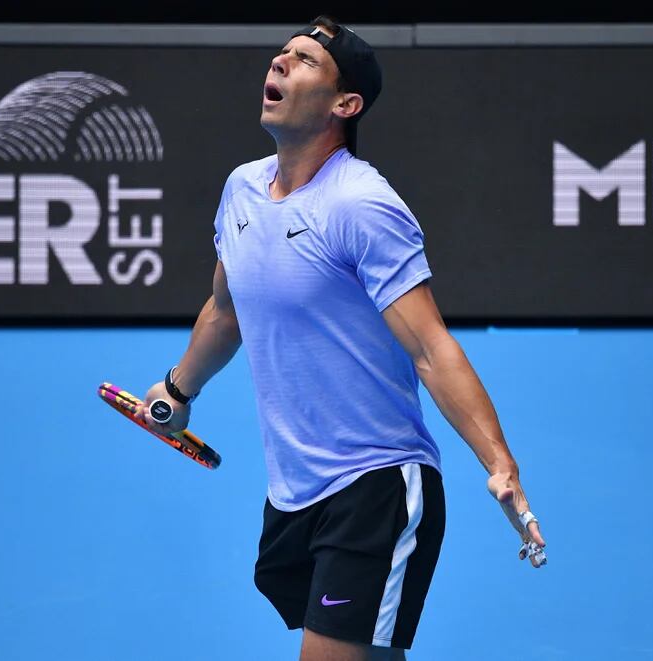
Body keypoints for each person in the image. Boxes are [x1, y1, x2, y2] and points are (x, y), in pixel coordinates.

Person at [139, 15, 547, 661]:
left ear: (345, 104)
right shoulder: (242, 188)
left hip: (377, 485)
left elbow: (430, 347)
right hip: (294, 490)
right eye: (280, 55)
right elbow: (226, 308)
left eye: (303, 61)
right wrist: (178, 387)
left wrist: (499, 463)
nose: (278, 64)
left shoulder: (362, 205)